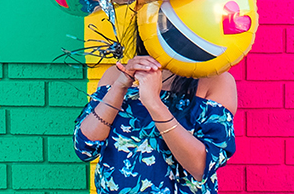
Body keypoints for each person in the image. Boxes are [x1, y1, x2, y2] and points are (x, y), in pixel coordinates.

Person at [73, 48, 237, 194]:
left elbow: (202, 166)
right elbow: (85, 148)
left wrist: (153, 102)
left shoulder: (215, 81)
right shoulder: (115, 75)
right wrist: (120, 86)